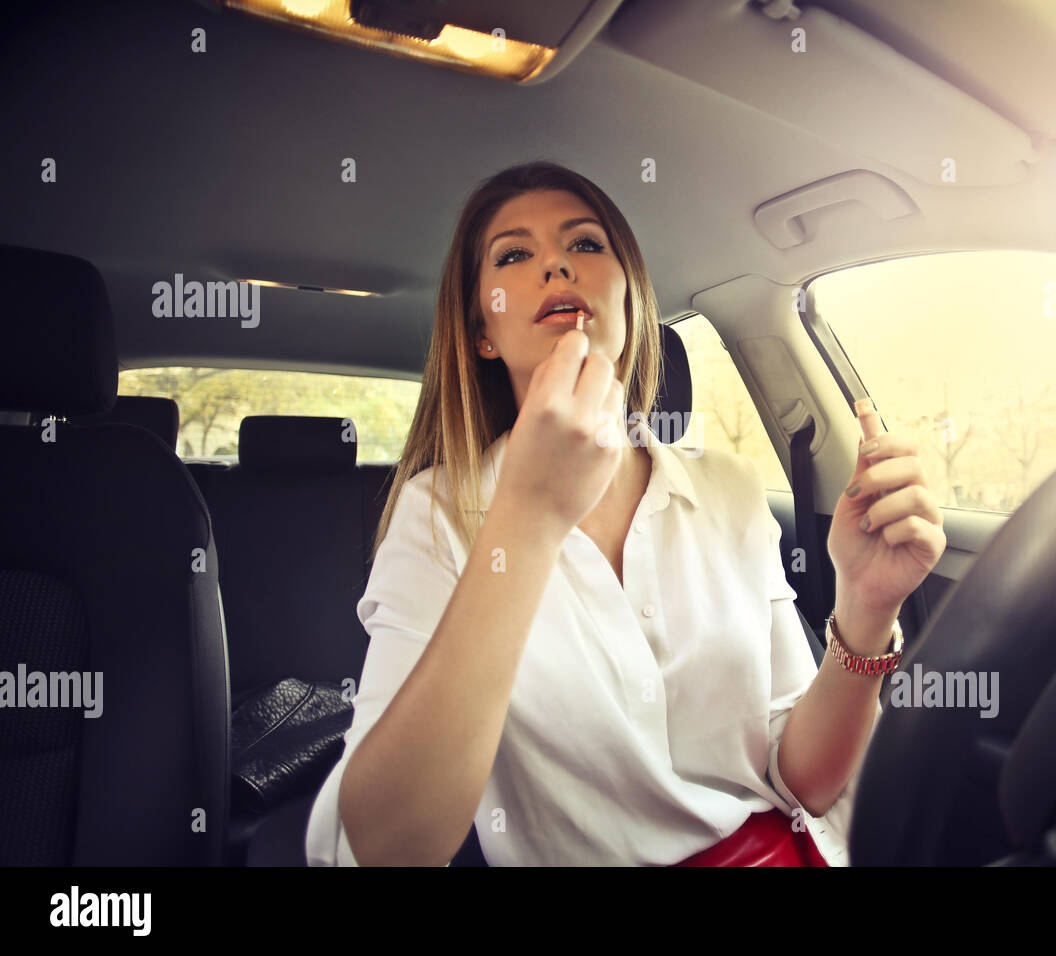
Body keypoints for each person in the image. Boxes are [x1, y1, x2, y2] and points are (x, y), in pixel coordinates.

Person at [304, 160, 946, 866]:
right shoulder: (437, 514)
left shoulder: (728, 488)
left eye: (585, 244)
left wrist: (865, 607)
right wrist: (528, 513)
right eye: (515, 255)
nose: (556, 265)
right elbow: (379, 849)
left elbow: (804, 783)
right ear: (482, 330)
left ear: (633, 300)